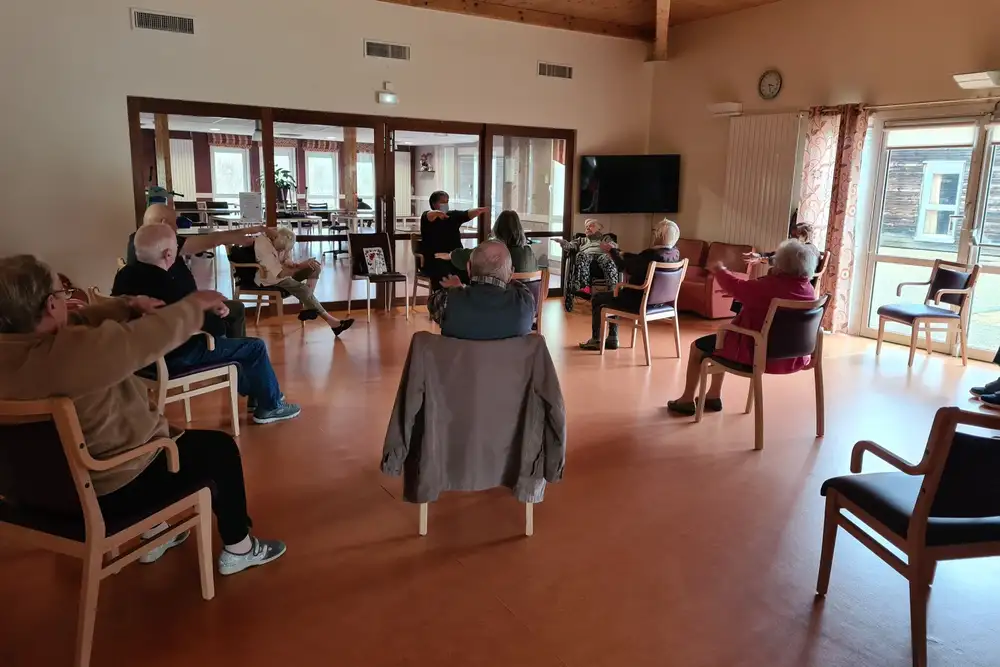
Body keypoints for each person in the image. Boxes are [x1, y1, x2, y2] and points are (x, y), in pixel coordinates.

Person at [0, 254, 285, 575]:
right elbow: (146, 337)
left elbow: (78, 320)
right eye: (62, 294)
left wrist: (128, 305)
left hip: (28, 498)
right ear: (52, 305)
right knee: (219, 451)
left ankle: (158, 531)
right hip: (106, 495)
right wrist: (193, 305)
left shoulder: (22, 350)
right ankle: (240, 548)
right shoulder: (72, 354)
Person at [113, 223, 301, 425]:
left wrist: (206, 307)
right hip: (177, 356)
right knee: (254, 347)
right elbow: (202, 325)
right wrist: (213, 311)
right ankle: (271, 406)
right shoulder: (168, 284)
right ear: (169, 254)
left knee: (237, 347)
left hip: (140, 359)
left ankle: (259, 392)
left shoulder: (124, 275)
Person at [667, 240, 818, 416]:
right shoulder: (809, 290)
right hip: (794, 358)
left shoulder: (769, 287)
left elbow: (736, 287)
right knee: (724, 338)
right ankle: (712, 396)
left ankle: (686, 399)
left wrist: (719, 270)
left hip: (756, 353)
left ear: (781, 264)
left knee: (701, 347)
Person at [126, 203, 265, 338]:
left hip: (184, 309)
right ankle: (232, 350)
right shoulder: (156, 245)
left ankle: (235, 349)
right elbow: (211, 240)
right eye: (175, 223)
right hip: (181, 318)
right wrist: (204, 303)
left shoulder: (143, 242)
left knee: (236, 309)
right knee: (235, 320)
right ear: (164, 223)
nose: (177, 228)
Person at [579, 218, 683, 351]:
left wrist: (612, 252)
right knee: (615, 295)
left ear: (659, 235)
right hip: (661, 303)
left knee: (599, 298)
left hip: (638, 301)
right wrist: (618, 251)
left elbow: (624, 267)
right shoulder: (675, 254)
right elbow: (637, 260)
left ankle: (598, 339)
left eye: (654, 232)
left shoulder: (650, 255)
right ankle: (611, 339)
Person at [253, 227, 354, 336]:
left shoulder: (283, 240)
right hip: (271, 279)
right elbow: (280, 274)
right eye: (282, 249)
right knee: (304, 290)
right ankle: (334, 323)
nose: (283, 252)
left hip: (285, 274)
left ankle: (308, 307)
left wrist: (302, 265)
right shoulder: (263, 246)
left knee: (314, 268)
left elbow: (287, 261)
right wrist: (300, 267)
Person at [428, 241, 535, 340]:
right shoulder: (525, 301)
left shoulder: (447, 301)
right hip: (509, 356)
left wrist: (455, 289)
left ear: (468, 267)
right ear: (511, 273)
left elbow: (432, 305)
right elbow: (518, 286)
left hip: (464, 355)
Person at [418, 191, 489, 291]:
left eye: (447, 201)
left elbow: (466, 214)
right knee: (442, 272)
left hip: (454, 257)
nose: (445, 204)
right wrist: (437, 213)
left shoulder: (452, 215)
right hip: (436, 258)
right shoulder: (427, 218)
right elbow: (429, 215)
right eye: (442, 202)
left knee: (467, 269)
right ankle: (442, 296)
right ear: (434, 204)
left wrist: (478, 210)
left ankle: (467, 294)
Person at [450, 210, 538, 279]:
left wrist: (451, 255)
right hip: (528, 296)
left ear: (497, 229)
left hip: (501, 296)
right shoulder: (529, 252)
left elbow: (465, 257)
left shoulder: (497, 252)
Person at [560, 219, 620, 311]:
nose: (588, 228)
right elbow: (571, 246)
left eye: (591, 226)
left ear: (599, 229)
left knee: (609, 259)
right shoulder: (581, 239)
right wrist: (564, 243)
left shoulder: (606, 238)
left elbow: (613, 245)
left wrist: (611, 247)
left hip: (602, 256)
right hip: (586, 258)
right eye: (586, 227)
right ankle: (584, 286)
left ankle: (612, 290)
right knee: (580, 255)